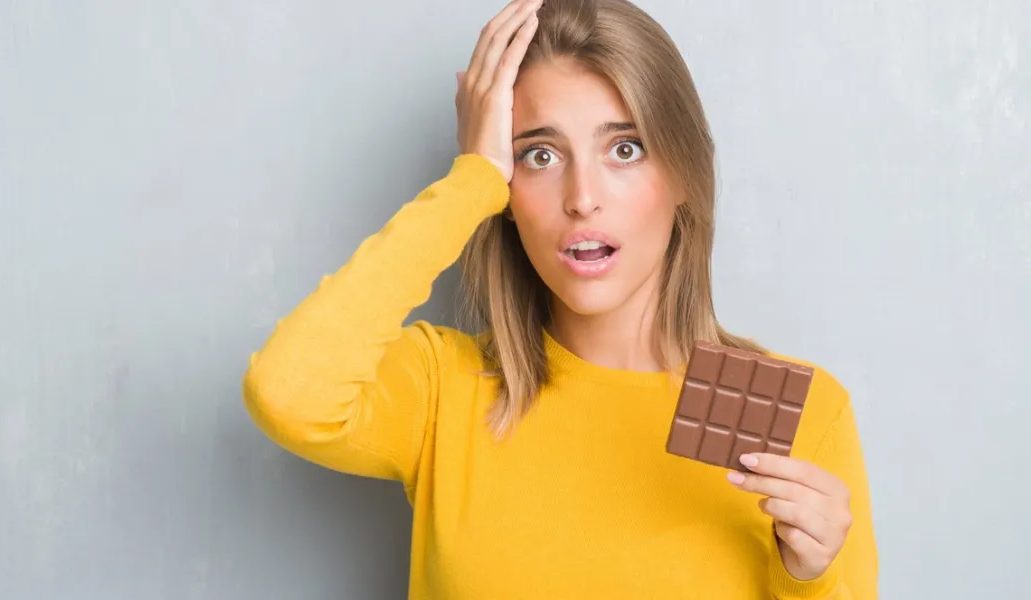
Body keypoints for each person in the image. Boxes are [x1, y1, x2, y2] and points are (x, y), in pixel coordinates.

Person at [242, 0, 879, 597]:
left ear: (684, 174)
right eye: (540, 155)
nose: (582, 197)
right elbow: (289, 393)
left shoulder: (792, 415)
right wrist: (472, 182)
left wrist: (810, 580)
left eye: (624, 150)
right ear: (508, 195)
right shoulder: (450, 389)